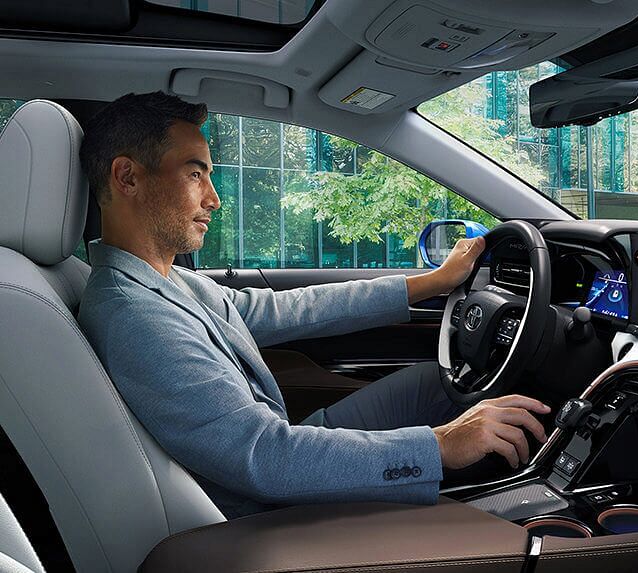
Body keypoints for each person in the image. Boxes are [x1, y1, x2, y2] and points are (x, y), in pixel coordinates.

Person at [76, 91, 549, 518]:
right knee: (458, 422)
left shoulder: (165, 281)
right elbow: (263, 458)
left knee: (438, 386)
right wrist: (442, 445)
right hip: (270, 508)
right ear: (127, 177)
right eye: (195, 173)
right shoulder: (134, 314)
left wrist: (432, 283)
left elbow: (290, 309)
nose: (214, 199)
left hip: (280, 455)